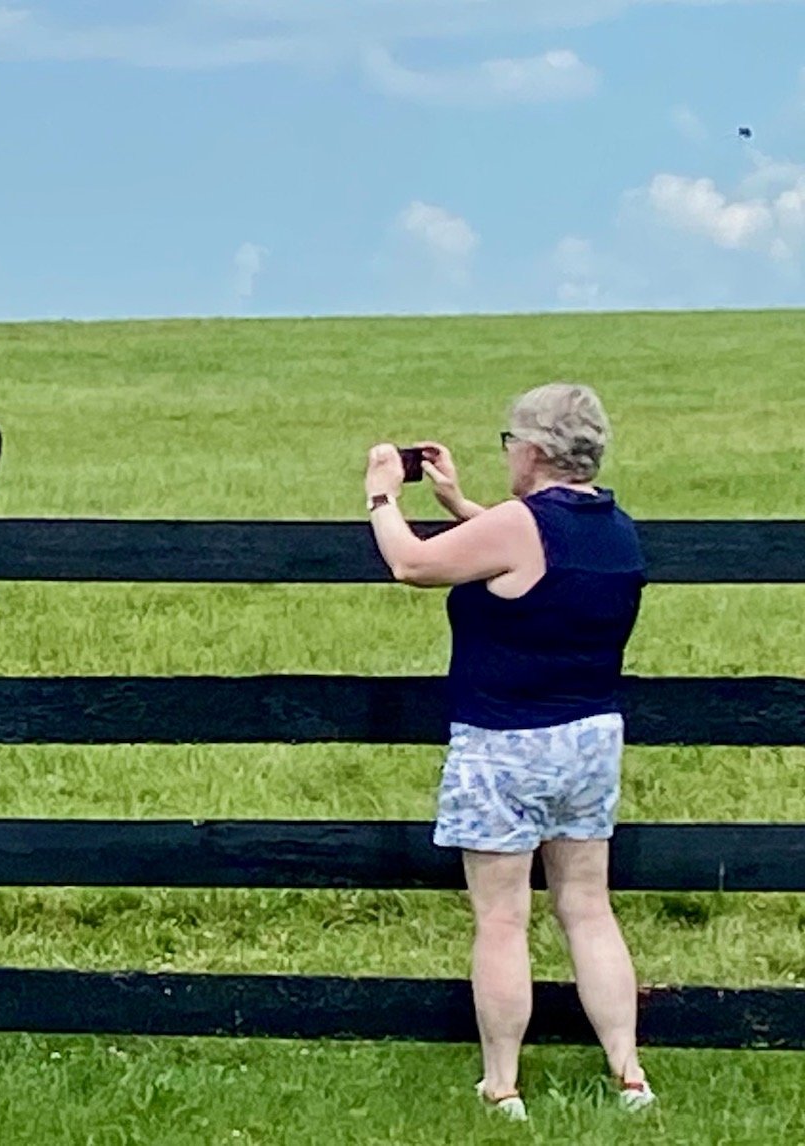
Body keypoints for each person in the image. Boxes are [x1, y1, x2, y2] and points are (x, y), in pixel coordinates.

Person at [363, 382, 652, 1122]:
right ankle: (628, 1074)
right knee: (588, 909)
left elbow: (413, 566)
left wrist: (382, 497)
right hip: (591, 738)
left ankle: (503, 1084)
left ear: (531, 449)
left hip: (503, 744)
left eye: (509, 444)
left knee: (501, 919)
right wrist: (461, 503)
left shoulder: (522, 524)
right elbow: (528, 553)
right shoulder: (613, 525)